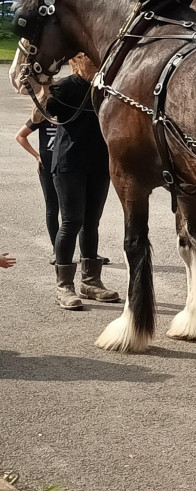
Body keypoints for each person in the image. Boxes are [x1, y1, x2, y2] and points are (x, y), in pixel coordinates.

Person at [47, 55, 118, 310]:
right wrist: (43, 85)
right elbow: (42, 113)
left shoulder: (106, 86)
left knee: (91, 223)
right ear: (77, 60)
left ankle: (91, 281)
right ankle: (64, 286)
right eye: (89, 57)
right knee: (71, 222)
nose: (97, 61)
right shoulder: (65, 86)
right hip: (70, 163)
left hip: (99, 163)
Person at [15, 88, 59, 264]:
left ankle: (86, 251)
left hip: (66, 166)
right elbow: (20, 136)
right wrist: (37, 156)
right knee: (52, 207)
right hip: (47, 166)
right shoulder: (41, 118)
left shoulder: (68, 116)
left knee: (74, 211)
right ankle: (56, 248)